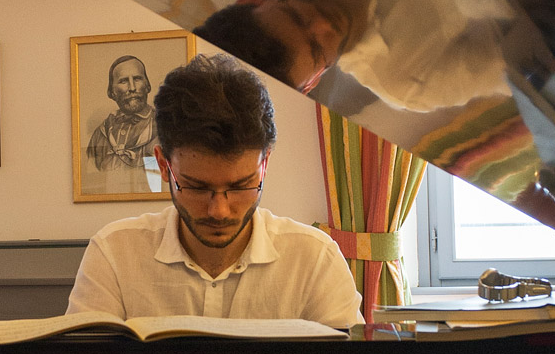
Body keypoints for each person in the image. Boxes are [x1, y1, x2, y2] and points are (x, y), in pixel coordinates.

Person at [67, 54, 362, 327]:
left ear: (264, 165)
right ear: (163, 165)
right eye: (197, 187)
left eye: (240, 186)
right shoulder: (114, 254)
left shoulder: (315, 259)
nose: (219, 211)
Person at [85, 53, 157, 184]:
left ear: (147, 85)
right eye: (123, 81)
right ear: (112, 92)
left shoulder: (166, 128)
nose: (132, 88)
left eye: (137, 79)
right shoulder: (100, 134)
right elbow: (89, 182)